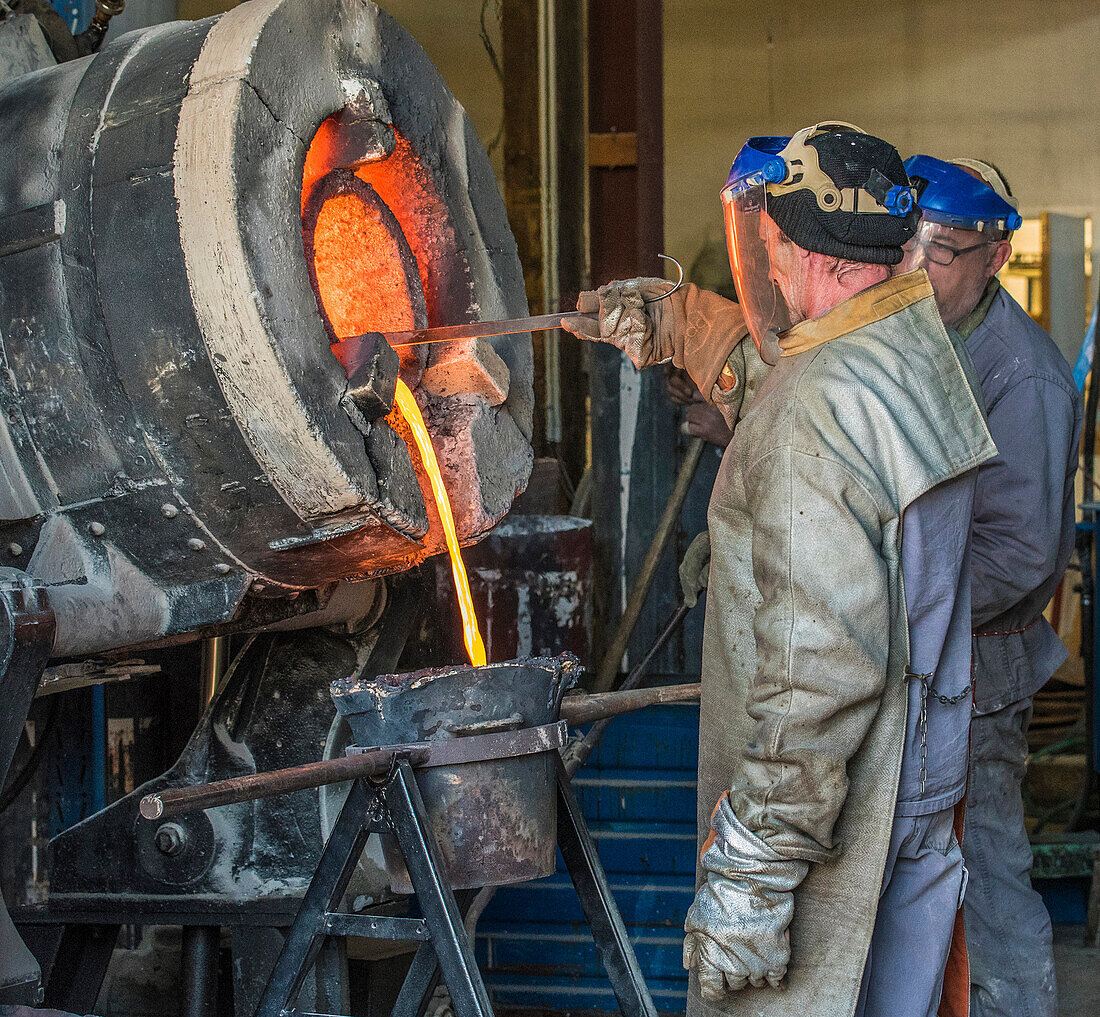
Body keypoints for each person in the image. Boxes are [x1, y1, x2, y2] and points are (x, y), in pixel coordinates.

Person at [562, 122, 997, 1017]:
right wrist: (693, 328)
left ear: (822, 258)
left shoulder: (817, 411)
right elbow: (799, 376)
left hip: (831, 804)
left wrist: (755, 868)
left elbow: (819, 668)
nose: (764, 261)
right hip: (917, 778)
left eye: (772, 246)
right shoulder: (914, 350)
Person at [899, 154, 1083, 1017]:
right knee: (919, 876)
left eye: (940, 248)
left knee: (988, 875)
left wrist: (894, 608)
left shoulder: (1025, 375)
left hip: (978, 672)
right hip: (917, 664)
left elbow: (1019, 556)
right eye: (911, 242)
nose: (918, 265)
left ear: (996, 256)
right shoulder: (910, 343)